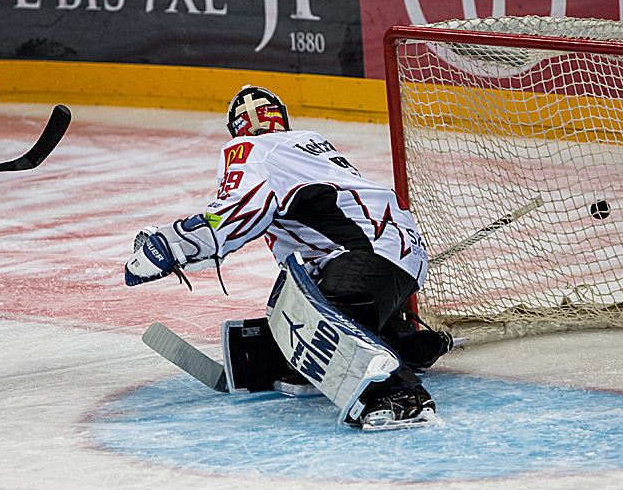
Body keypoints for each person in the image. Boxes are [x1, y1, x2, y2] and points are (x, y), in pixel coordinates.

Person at [124, 85, 452, 429]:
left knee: (316, 321)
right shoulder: (308, 144)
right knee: (291, 297)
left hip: (363, 258)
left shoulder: (250, 149)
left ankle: (395, 394)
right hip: (398, 257)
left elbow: (235, 215)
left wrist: (169, 244)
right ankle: (402, 340)